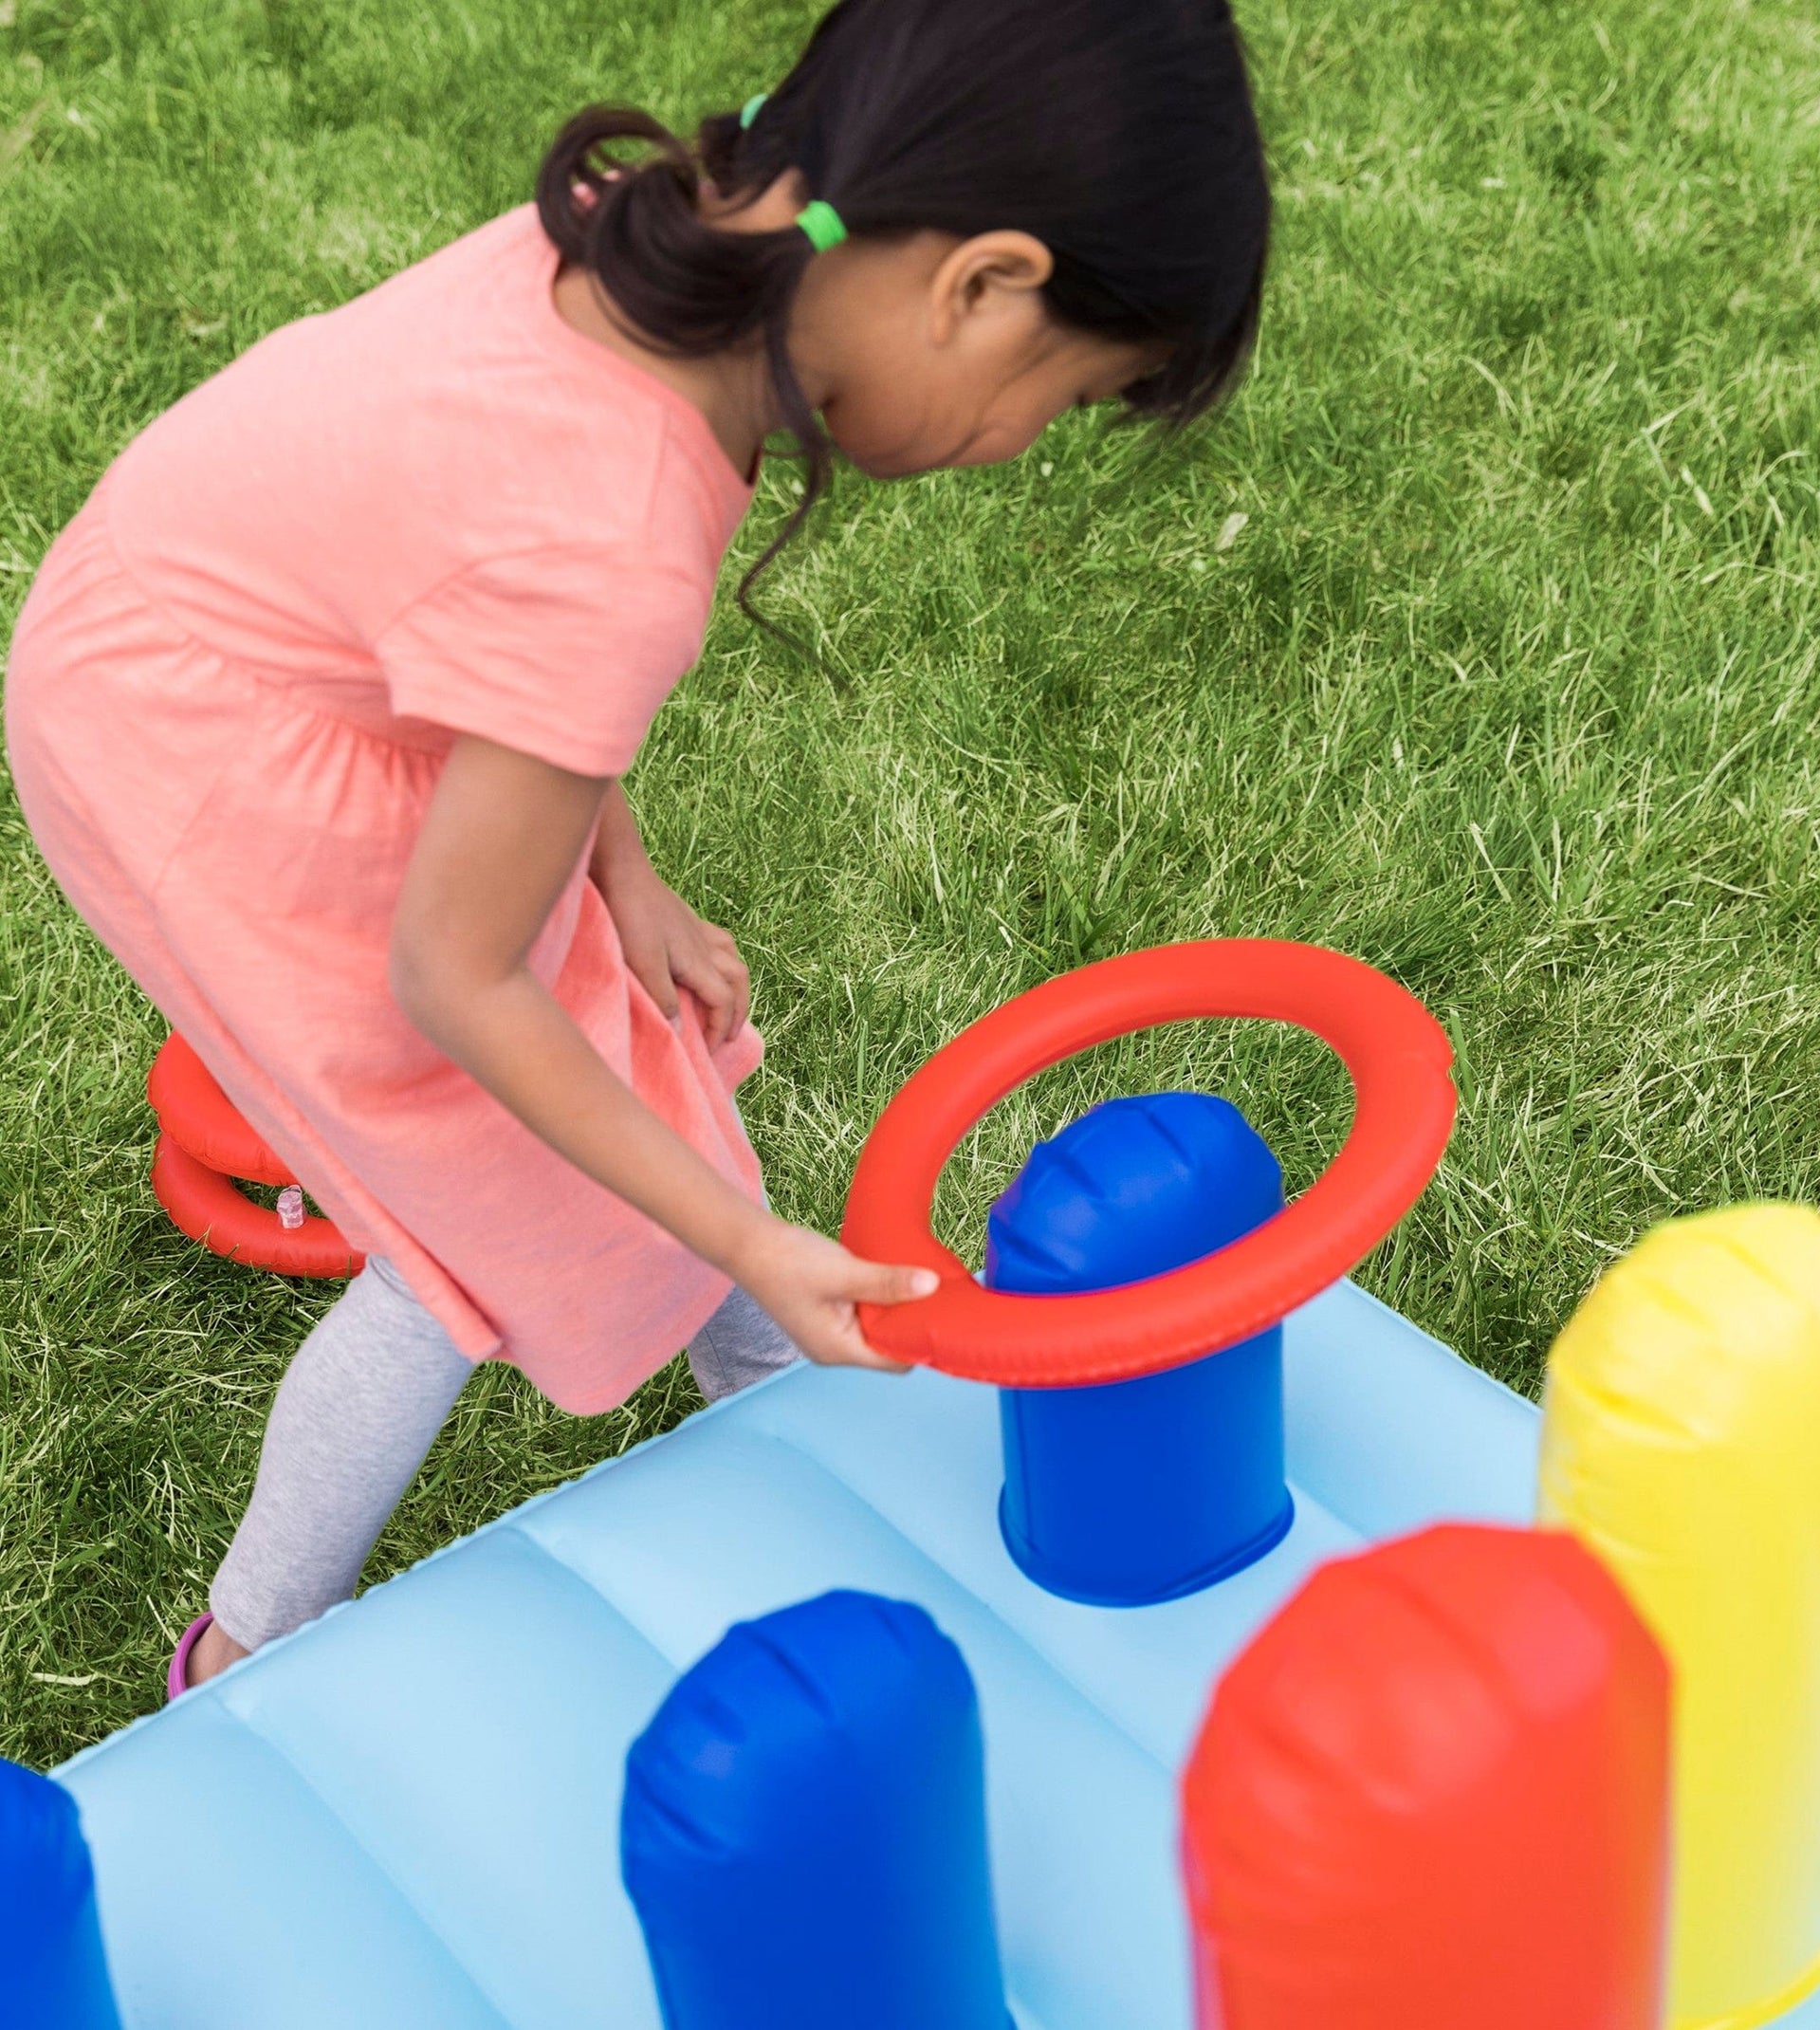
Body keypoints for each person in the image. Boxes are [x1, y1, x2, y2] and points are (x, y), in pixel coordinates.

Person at [4, 0, 1270, 1694]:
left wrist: (624, 875)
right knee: (478, 1216)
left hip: (252, 647)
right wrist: (750, 1237)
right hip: (195, 735)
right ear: (978, 283)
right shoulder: (606, 528)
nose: (1014, 448)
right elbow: (455, 971)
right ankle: (241, 1653)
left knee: (627, 1078)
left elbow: (479, 623)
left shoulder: (678, 251)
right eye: (1057, 397)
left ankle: (778, 1405)